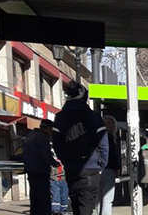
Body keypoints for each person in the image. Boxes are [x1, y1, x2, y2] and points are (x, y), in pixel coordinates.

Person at [52, 81, 109, 215]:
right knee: (87, 206)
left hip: (71, 167)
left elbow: (57, 143)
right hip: (91, 168)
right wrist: (102, 163)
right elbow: (103, 142)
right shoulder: (93, 117)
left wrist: (65, 161)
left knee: (76, 205)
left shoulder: (60, 117)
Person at [23, 119, 60, 215]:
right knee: (43, 198)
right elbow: (45, 155)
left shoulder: (30, 135)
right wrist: (55, 163)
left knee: (34, 197)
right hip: (41, 171)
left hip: (31, 170)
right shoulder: (42, 137)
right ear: (48, 128)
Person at [97, 115, 121, 215]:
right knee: (107, 198)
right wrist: (117, 168)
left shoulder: (96, 136)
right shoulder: (110, 137)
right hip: (108, 169)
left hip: (96, 169)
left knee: (98, 198)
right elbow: (112, 155)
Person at [50, 151, 69, 215]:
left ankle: (63, 210)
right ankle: (55, 210)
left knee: (64, 196)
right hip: (54, 180)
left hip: (63, 180)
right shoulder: (51, 159)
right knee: (56, 194)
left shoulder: (64, 159)